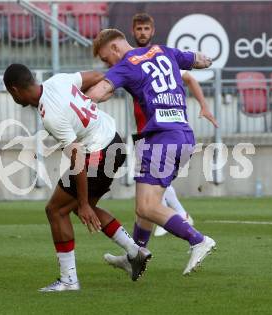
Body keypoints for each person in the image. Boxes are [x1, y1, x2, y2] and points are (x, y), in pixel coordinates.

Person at [3, 64, 152, 292]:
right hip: (114, 141)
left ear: (14, 90)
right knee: (78, 206)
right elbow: (98, 75)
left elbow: (78, 158)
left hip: (97, 153)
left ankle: (69, 280)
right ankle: (135, 252)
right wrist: (90, 100)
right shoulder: (58, 80)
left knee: (56, 210)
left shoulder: (50, 115)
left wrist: (82, 204)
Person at [86, 29, 216, 276]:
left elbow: (101, 91)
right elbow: (199, 60)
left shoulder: (127, 64)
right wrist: (206, 60)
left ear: (114, 48)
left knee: (146, 207)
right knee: (146, 204)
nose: (107, 63)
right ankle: (135, 255)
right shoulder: (164, 51)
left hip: (161, 139)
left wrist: (77, 102)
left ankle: (198, 240)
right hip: (182, 136)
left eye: (105, 59)